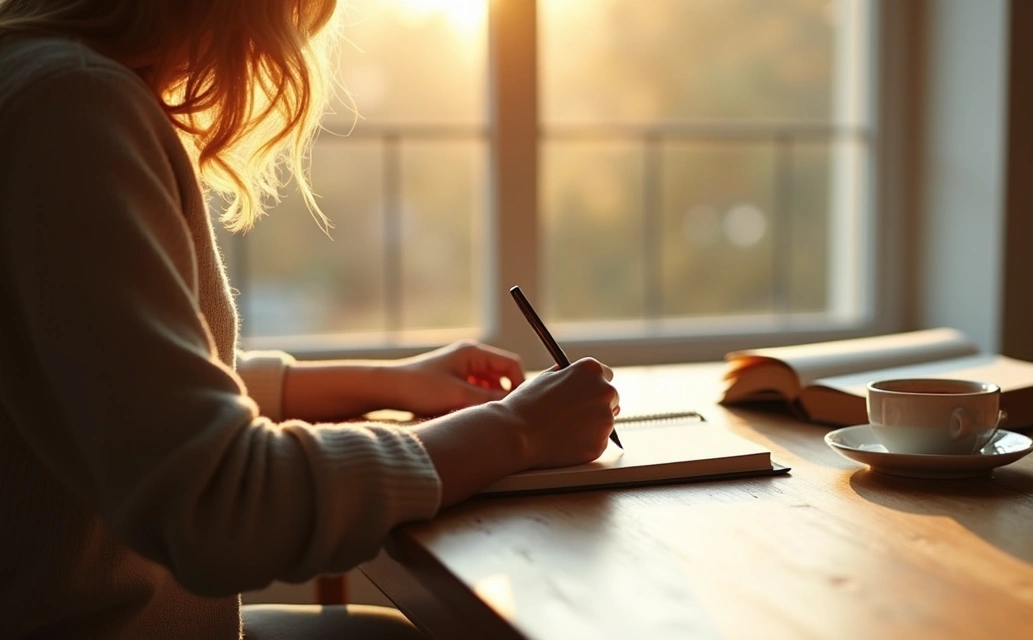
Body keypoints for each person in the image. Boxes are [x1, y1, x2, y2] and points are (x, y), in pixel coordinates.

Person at [0, 1, 619, 638]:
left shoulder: (37, 82)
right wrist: (515, 431)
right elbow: (226, 504)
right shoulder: (70, 110)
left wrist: (391, 382)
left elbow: (131, 390)